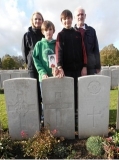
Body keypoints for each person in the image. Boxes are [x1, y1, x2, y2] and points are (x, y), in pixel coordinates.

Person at [55, 9, 87, 114]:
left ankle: (78, 114)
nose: (67, 21)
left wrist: (84, 66)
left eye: (68, 18)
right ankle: (70, 115)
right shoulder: (61, 35)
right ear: (61, 21)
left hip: (78, 69)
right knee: (69, 93)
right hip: (67, 70)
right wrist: (59, 67)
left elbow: (83, 50)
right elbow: (58, 51)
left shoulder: (77, 34)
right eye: (64, 19)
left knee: (79, 92)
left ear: (72, 19)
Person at [21, 12, 44, 120]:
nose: (38, 21)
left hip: (43, 68)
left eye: (40, 19)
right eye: (36, 19)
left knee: (44, 93)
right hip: (33, 68)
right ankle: (37, 118)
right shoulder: (27, 35)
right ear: (32, 21)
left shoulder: (44, 34)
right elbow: (24, 52)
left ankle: (45, 117)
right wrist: (29, 63)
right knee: (35, 94)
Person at [32, 20, 56, 123]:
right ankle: (45, 120)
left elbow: (59, 58)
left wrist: (57, 68)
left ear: (53, 30)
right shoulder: (39, 44)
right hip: (44, 78)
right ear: (43, 32)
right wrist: (42, 72)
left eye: (50, 29)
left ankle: (55, 120)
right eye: (46, 30)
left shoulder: (56, 44)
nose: (48, 32)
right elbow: (35, 59)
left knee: (54, 100)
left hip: (54, 77)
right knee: (45, 100)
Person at [74, 6, 101, 75]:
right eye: (78, 15)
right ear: (74, 17)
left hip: (90, 66)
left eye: (82, 14)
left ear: (85, 16)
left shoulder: (92, 31)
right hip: (76, 67)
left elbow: (96, 48)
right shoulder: (71, 32)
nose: (80, 16)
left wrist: (98, 65)